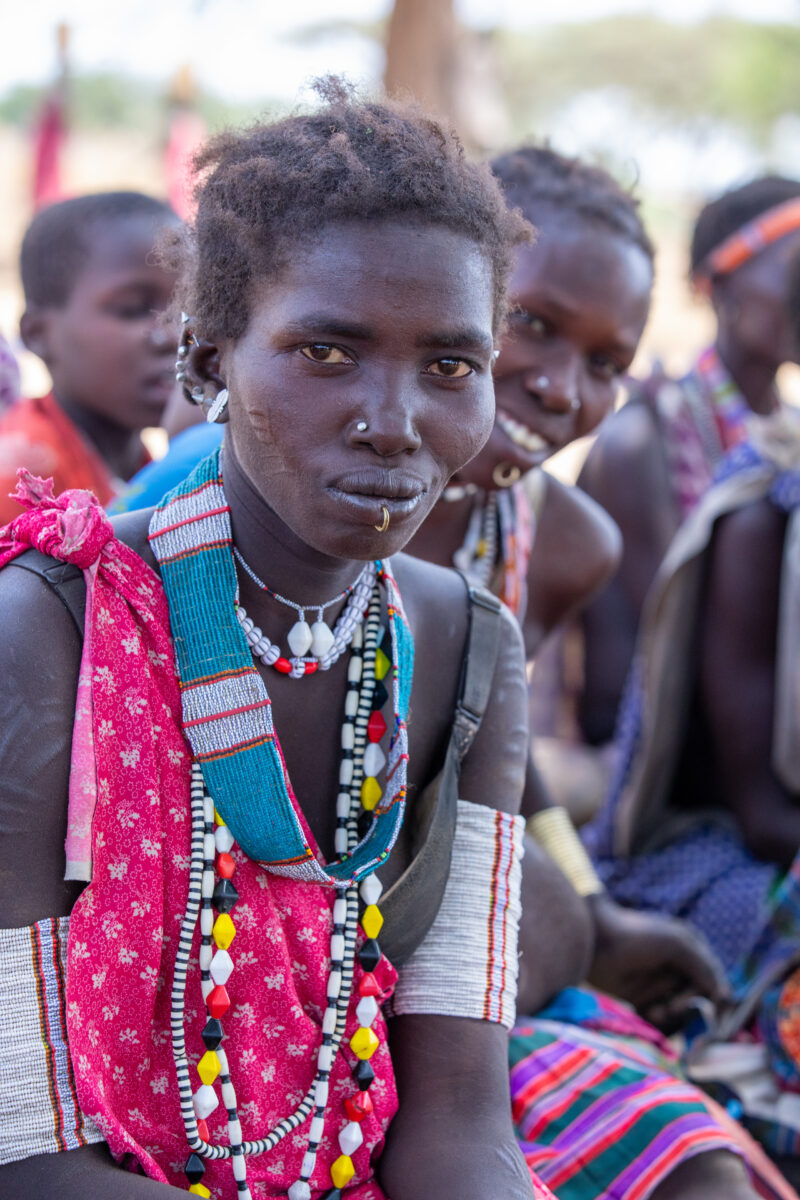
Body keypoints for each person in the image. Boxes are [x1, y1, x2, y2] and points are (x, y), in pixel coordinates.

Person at [0, 82, 561, 1200]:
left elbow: (459, 1121)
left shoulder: (465, 647)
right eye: (325, 353)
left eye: (450, 366)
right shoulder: (50, 628)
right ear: (207, 364)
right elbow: (25, 1151)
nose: (393, 422)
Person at [407, 146, 792, 1200]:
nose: (560, 386)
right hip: (284, 939)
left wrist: (591, 910)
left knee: (703, 1158)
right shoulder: (281, 499)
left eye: (606, 362)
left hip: (458, 948)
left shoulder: (556, 542)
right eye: (531, 324)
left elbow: (492, 745)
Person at [576, 175, 800, 749]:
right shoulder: (642, 440)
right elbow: (680, 654)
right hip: (651, 756)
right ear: (723, 284)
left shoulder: (785, 438)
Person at [0, 191, 180, 526]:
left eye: (187, 305)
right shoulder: (21, 480)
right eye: (134, 309)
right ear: (38, 335)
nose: (174, 334)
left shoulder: (143, 465)